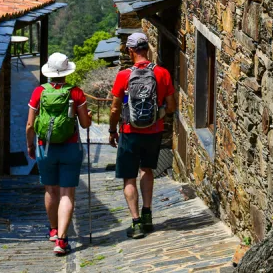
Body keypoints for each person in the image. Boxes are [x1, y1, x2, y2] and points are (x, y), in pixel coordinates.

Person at [108, 32, 176, 239]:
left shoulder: (124, 76)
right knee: (146, 170)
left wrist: (112, 131)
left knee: (129, 176)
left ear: (130, 51)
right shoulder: (162, 73)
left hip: (129, 132)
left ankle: (136, 222)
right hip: (154, 132)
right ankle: (148, 214)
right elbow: (172, 106)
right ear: (147, 48)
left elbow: (114, 108)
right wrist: (156, 117)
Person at [26, 52, 92, 256]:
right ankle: (62, 241)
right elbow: (84, 124)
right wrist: (88, 117)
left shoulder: (39, 92)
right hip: (70, 147)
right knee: (66, 193)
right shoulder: (76, 93)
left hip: (45, 148)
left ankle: (54, 230)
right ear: (66, 72)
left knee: (50, 191)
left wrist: (30, 146)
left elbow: (30, 125)